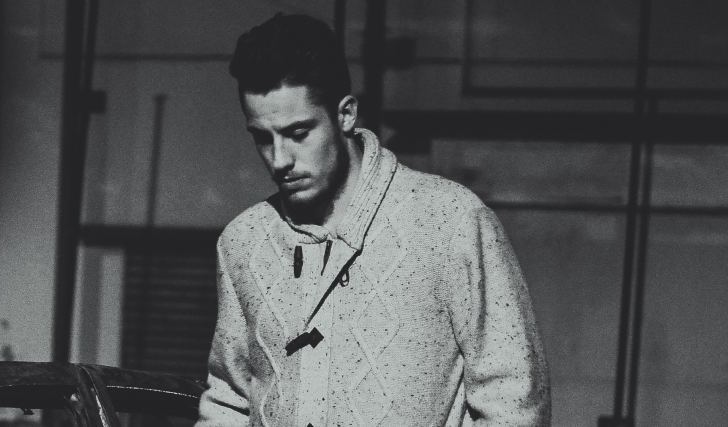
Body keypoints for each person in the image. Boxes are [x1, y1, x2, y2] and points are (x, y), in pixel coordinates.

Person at [196, 14, 550, 426]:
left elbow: (513, 402)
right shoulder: (244, 241)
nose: (279, 159)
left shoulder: (450, 220)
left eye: (298, 133)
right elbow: (227, 401)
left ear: (345, 114)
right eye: (262, 137)